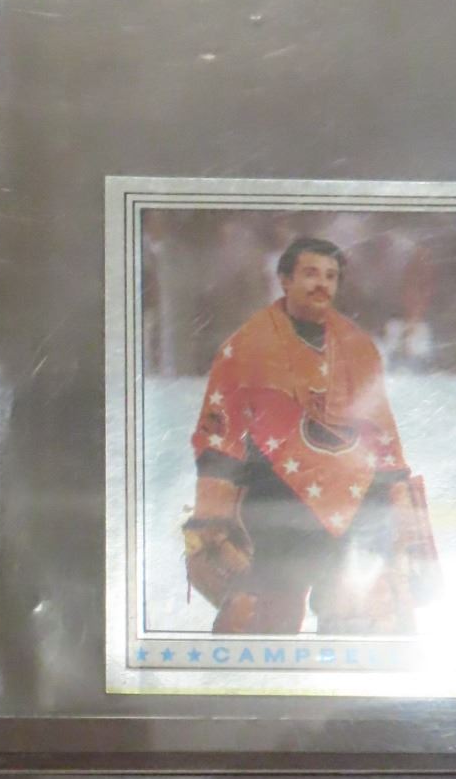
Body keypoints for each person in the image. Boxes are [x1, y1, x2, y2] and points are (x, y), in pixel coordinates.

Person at [181, 237, 440, 636]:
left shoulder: (358, 347)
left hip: (354, 504)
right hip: (276, 503)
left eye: (331, 276)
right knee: (263, 620)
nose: (322, 284)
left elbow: (380, 434)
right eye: (311, 273)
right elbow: (219, 432)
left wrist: (401, 505)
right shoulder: (247, 347)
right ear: (285, 279)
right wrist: (212, 510)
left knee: (360, 619)